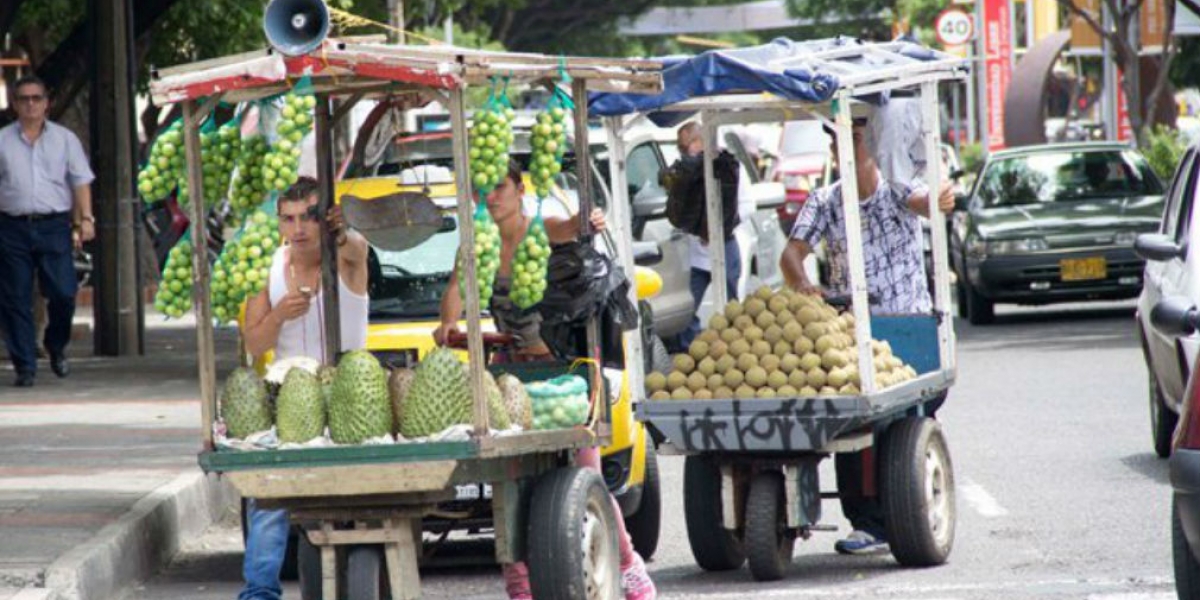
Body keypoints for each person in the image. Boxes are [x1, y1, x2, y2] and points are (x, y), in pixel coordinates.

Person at [432, 160, 656, 600]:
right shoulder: (476, 245)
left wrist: (588, 220)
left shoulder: (543, 229)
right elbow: (456, 294)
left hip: (564, 373)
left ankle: (629, 570)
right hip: (511, 376)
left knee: (584, 475)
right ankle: (521, 588)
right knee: (511, 485)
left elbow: (573, 227)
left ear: (519, 189)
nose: (490, 198)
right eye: (482, 190)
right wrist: (447, 326)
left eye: (499, 187)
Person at [779, 115, 954, 556]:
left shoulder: (897, 190)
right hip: (851, 334)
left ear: (873, 143)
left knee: (901, 424)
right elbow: (791, 254)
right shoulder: (823, 201)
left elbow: (929, 201)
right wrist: (803, 285)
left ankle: (902, 509)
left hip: (907, 328)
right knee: (853, 419)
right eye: (838, 139)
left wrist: (941, 195)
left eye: (854, 137)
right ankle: (867, 521)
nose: (845, 147)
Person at [238, 176, 370, 600]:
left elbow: (356, 249)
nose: (299, 228)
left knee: (359, 499)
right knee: (268, 495)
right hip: (290, 397)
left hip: (350, 394)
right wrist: (279, 315)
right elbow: (254, 342)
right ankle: (260, 591)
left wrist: (341, 230)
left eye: (309, 217)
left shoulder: (347, 254)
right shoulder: (271, 267)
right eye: (289, 219)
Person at [0, 75, 95, 387]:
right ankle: (24, 365)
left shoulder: (65, 139)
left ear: (46, 103)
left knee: (64, 292)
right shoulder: (2, 140)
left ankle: (56, 346)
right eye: (24, 99)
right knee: (14, 298)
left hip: (54, 225)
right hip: (12, 226)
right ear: (14, 104)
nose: (30, 104)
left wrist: (86, 219)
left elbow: (80, 180)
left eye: (36, 98)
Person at [673, 122, 745, 349]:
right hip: (696, 253)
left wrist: (716, 227)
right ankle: (690, 349)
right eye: (681, 148)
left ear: (702, 141)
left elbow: (745, 204)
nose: (685, 152)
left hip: (726, 245)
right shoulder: (685, 172)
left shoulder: (729, 167)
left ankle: (737, 346)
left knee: (731, 304)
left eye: (689, 146)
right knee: (688, 305)